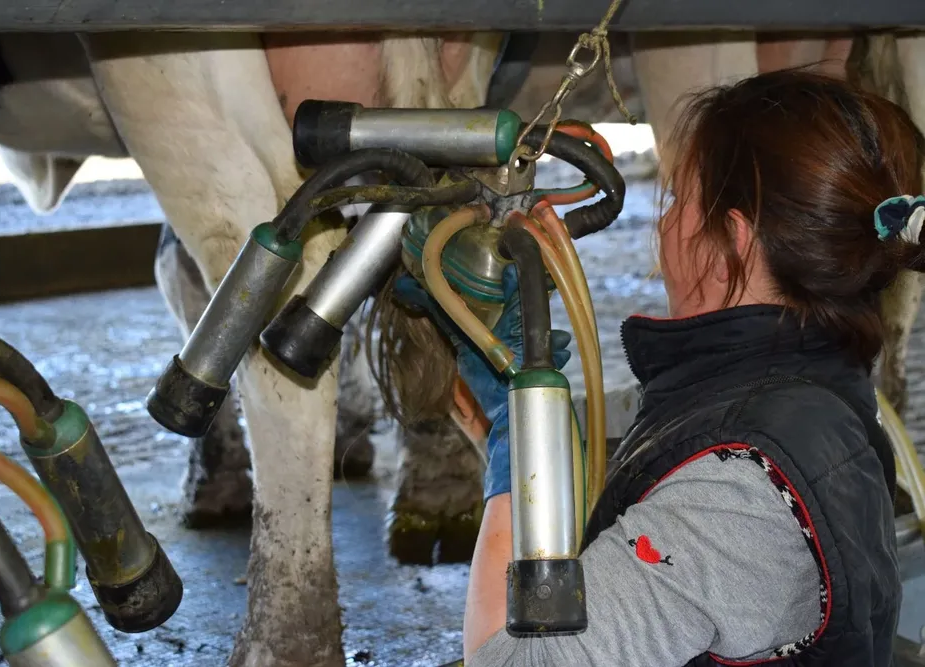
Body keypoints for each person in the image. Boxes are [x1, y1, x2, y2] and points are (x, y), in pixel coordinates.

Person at [395, 67, 925, 666]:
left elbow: (512, 661)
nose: (664, 223)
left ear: (735, 240)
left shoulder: (736, 493)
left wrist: (516, 454)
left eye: (677, 200)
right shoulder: (815, 393)